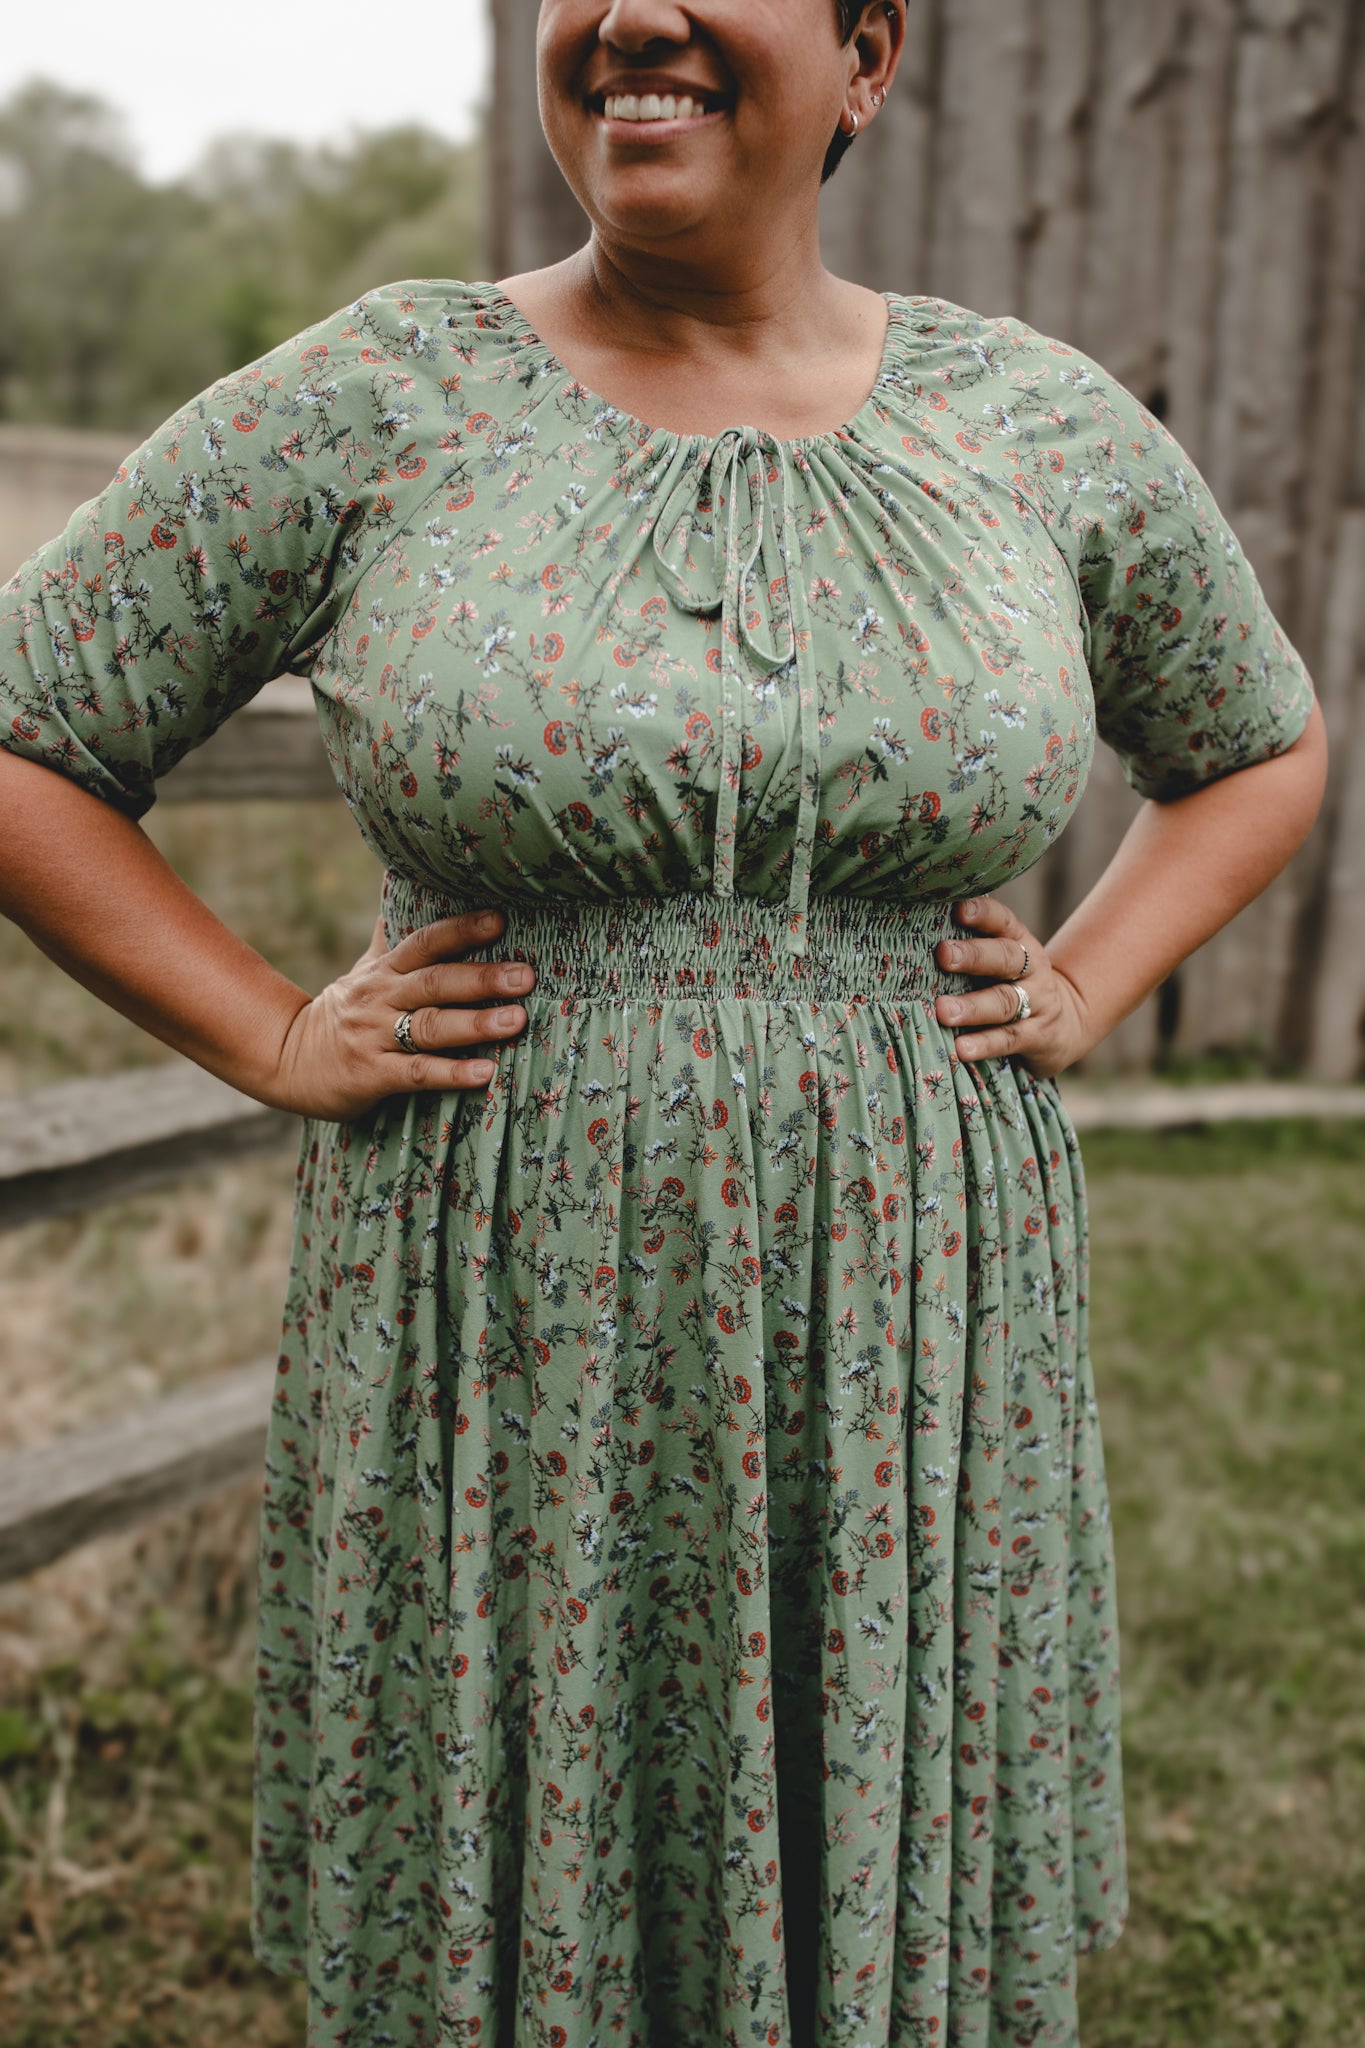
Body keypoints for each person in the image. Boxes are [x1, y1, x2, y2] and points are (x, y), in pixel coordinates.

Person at [0, 0, 1327, 2042]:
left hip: (907, 1319)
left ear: (868, 53)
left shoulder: (1029, 423)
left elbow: (1253, 742)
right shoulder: (377, 396)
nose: (628, 14)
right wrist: (270, 1033)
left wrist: (1088, 973)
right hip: (504, 1306)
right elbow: (31, 738)